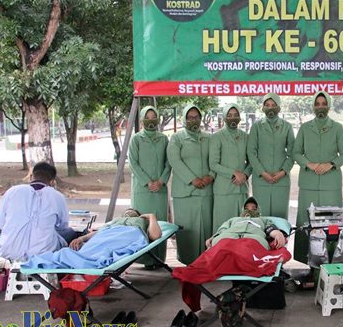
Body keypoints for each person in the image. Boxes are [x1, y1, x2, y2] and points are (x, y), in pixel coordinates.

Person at [292, 91, 343, 264]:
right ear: (313, 106)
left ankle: (331, 260)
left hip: (330, 184)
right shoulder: (304, 128)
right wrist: (308, 164)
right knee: (306, 221)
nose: (320, 107)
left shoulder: (337, 128)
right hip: (308, 182)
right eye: (317, 104)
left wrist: (331, 164)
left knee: (331, 222)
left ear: (329, 106)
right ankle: (304, 261)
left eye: (324, 103)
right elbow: (296, 152)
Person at [23, 208, 162, 270]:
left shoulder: (141, 223)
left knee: (104, 251)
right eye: (126, 212)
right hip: (106, 235)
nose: (128, 212)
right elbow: (98, 233)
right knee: (86, 249)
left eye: (132, 212)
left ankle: (81, 260)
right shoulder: (114, 222)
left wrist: (151, 217)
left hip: (128, 235)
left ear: (138, 215)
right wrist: (82, 238)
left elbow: (155, 235)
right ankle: (77, 258)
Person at [0, 162, 75, 261]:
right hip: (43, 253)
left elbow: (1, 224)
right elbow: (63, 226)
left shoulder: (12, 191)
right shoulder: (57, 196)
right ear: (52, 181)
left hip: (8, 251)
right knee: (71, 233)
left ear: (31, 176)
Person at [167, 104, 214, 265]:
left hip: (206, 190)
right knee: (188, 229)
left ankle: (205, 262)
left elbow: (215, 159)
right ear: (184, 119)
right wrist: (192, 179)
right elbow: (174, 160)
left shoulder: (209, 138)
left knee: (206, 226)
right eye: (190, 117)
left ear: (201, 119)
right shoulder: (177, 138)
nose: (193, 120)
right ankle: (188, 262)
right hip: (185, 192)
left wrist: (210, 176)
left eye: (196, 117)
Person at [128, 105, 171, 269]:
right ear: (142, 120)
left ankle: (159, 259)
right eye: (148, 117)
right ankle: (145, 260)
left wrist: (161, 181)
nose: (151, 120)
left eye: (154, 117)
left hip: (160, 189)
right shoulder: (136, 139)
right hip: (142, 190)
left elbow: (168, 163)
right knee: (143, 223)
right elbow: (133, 163)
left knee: (160, 222)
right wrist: (147, 181)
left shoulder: (163, 139)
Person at [247, 93, 296, 219]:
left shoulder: (287, 126)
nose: (270, 108)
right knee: (261, 217)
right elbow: (251, 152)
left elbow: (292, 153)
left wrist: (282, 172)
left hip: (281, 179)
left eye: (273, 105)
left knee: (280, 217)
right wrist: (262, 173)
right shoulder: (256, 126)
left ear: (279, 107)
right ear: (263, 108)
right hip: (261, 180)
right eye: (267, 105)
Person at [209, 104, 252, 232]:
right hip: (224, 190)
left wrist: (245, 175)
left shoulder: (245, 136)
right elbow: (213, 164)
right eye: (229, 115)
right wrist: (234, 173)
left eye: (236, 115)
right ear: (224, 117)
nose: (233, 118)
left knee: (242, 228)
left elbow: (251, 161)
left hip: (241, 189)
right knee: (224, 229)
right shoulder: (217, 137)